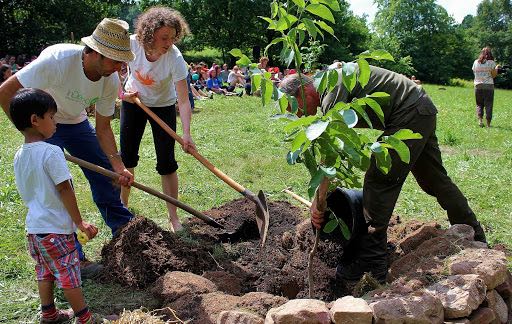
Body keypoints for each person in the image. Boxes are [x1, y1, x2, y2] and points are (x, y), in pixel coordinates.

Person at [279, 66, 487, 283]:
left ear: (304, 91)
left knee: (379, 178)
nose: (297, 114)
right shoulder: (329, 84)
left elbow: (331, 156)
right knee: (434, 181)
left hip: (410, 112)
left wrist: (318, 202)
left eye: (294, 106)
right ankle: (476, 235)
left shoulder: (330, 89)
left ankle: (372, 262)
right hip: (419, 109)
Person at [0, 18, 136, 277]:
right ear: (93, 53)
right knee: (59, 187)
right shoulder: (57, 61)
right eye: (114, 60)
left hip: (76, 123)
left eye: (122, 61)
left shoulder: (110, 80)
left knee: (105, 175)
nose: (119, 67)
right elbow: (5, 92)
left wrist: (117, 166)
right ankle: (75, 257)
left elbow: (104, 128)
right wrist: (30, 133)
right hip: (44, 123)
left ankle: (127, 233)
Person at [10, 88, 99, 323]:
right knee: (69, 273)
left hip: (34, 230)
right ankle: (85, 318)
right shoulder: (52, 152)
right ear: (35, 120)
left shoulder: (19, 154)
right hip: (56, 230)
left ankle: (49, 313)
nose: (56, 122)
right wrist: (79, 222)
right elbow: (64, 188)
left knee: (45, 271)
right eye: (51, 116)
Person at [119, 6, 196, 232]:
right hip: (133, 102)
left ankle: (173, 218)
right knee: (127, 159)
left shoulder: (175, 58)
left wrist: (187, 133)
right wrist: (122, 94)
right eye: (164, 37)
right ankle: (122, 210)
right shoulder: (131, 44)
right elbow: (113, 68)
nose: (169, 43)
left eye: (173, 38)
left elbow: (183, 100)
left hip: (163, 106)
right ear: (149, 33)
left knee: (167, 162)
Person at [472, 47, 499, 128]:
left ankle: (480, 121)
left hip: (478, 85)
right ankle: (488, 124)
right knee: (488, 104)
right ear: (490, 54)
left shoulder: (476, 62)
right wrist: (497, 68)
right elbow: (493, 75)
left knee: (479, 104)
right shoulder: (491, 63)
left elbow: (474, 72)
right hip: (488, 86)